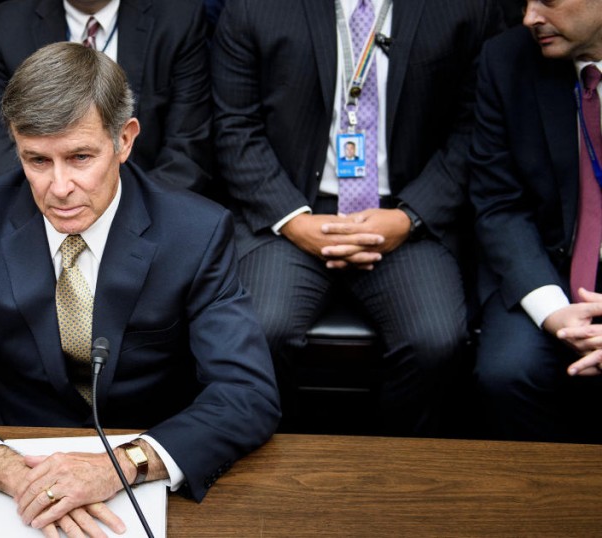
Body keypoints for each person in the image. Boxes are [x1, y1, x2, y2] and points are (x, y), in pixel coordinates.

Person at [0, 42, 279, 536]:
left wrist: (120, 465)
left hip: (146, 463)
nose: (60, 186)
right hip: (9, 453)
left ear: (125, 140)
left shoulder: (196, 232)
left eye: (80, 157)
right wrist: (9, 469)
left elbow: (247, 394)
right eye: (37, 161)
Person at [212, 0, 500, 435]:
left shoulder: (463, 8)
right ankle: (274, 465)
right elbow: (235, 127)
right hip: (292, 211)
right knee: (260, 329)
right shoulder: (255, 7)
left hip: (403, 212)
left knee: (436, 340)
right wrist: (293, 219)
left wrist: (408, 218)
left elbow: (471, 130)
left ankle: (390, 470)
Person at [469, 0, 602, 442]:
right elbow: (499, 203)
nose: (530, 17)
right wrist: (555, 313)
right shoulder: (505, 60)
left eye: (548, 0)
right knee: (507, 374)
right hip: (546, 267)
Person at [0, 0, 212, 193]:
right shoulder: (6, 26)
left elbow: (186, 150)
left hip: (152, 208)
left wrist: (125, 216)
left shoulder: (178, 18)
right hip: (46, 211)